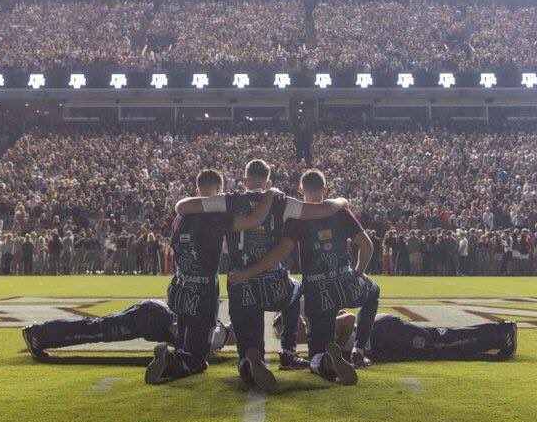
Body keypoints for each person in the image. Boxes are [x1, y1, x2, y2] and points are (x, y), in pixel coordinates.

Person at [174, 158, 349, 391]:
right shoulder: (282, 202)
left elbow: (182, 206)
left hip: (241, 285)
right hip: (275, 285)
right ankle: (289, 351)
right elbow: (323, 209)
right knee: (296, 288)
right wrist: (342, 200)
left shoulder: (229, 200)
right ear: (268, 181)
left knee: (248, 337)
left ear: (245, 180)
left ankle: (250, 360)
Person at [229, 169, 376, 386]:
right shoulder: (341, 212)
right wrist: (359, 272)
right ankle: (359, 350)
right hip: (345, 282)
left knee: (317, 347)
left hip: (317, 289)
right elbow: (366, 245)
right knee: (373, 291)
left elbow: (283, 250)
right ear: (325, 189)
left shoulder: (297, 218)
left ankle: (301, 355)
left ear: (300, 190)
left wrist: (249, 272)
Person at [144, 169, 279, 387]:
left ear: (197, 188)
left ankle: (179, 351)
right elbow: (254, 220)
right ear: (219, 190)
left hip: (179, 286)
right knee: (199, 357)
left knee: (187, 335)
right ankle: (171, 362)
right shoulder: (215, 216)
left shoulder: (181, 215)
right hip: (204, 289)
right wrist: (270, 194)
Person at [22, 299, 231, 362]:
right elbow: (177, 329)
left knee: (96, 327)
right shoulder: (217, 336)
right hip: (152, 318)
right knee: (96, 330)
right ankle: (38, 335)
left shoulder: (218, 326)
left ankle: (40, 334)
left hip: (153, 311)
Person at [274, 311, 518, 363]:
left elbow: (347, 319)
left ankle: (502, 331)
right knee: (437, 350)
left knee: (439, 340)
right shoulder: (312, 324)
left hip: (384, 332)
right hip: (381, 342)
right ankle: (495, 340)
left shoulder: (316, 323)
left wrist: (338, 351)